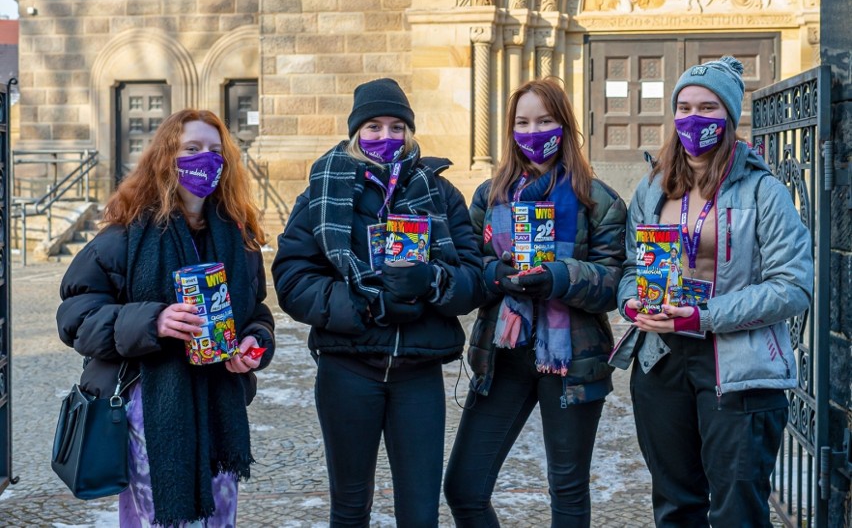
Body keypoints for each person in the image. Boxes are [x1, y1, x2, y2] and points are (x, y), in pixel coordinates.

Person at [271, 78, 485, 526]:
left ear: (410, 132)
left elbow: (473, 277)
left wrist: (432, 282)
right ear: (355, 133)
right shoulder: (322, 191)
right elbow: (293, 278)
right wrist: (364, 306)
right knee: (349, 509)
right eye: (373, 126)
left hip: (417, 373)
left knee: (420, 512)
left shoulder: (440, 193)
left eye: (396, 127)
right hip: (347, 368)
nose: (386, 137)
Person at [612, 56, 813, 526]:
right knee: (676, 505)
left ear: (728, 116)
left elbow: (793, 286)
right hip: (661, 359)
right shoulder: (653, 188)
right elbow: (629, 266)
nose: (693, 118)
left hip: (738, 366)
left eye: (707, 107)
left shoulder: (764, 191)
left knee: (736, 512)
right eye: (683, 107)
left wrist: (702, 316)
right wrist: (631, 299)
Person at [56, 109, 276, 526]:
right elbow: (76, 317)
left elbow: (257, 314)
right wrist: (152, 321)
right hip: (149, 406)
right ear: (166, 158)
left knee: (219, 517)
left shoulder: (239, 237)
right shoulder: (124, 236)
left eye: (215, 150)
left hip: (218, 406)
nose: (205, 159)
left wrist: (254, 345)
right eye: (191, 149)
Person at [444, 78, 627, 527]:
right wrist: (495, 274)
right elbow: (471, 268)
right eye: (523, 122)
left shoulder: (597, 200)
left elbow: (616, 283)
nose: (533, 131)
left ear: (563, 125)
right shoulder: (490, 196)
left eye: (545, 120)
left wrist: (559, 277)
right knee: (464, 487)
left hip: (572, 359)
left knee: (566, 491)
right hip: (502, 354)